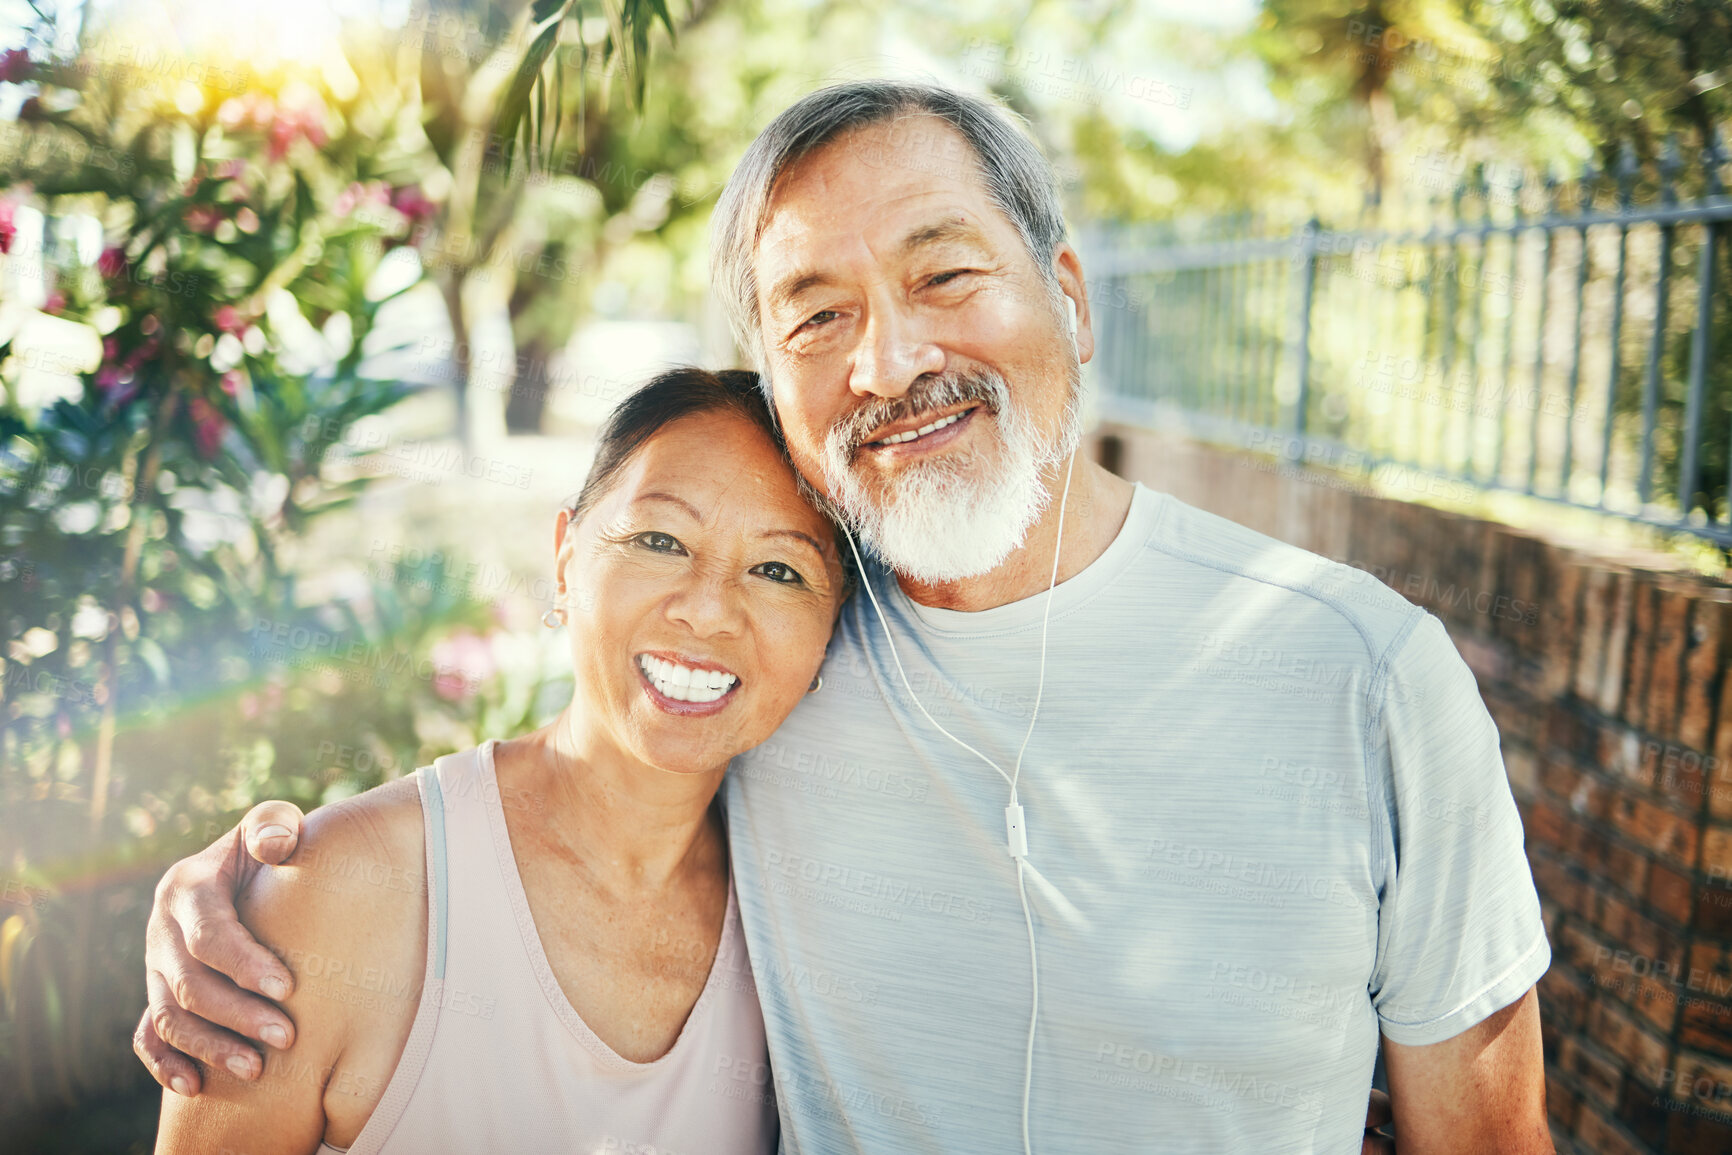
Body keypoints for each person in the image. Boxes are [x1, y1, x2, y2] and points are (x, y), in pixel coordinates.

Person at [138, 82, 1551, 1153]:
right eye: (815, 315)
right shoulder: (794, 639)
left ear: (1065, 294)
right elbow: (584, 764)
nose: (893, 357)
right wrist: (264, 887)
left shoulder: (1364, 675)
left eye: (945, 273)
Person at [153, 368, 847, 1153]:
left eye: (780, 569)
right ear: (564, 560)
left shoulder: (800, 930)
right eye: (659, 539)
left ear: (832, 631)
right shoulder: (341, 897)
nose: (709, 608)